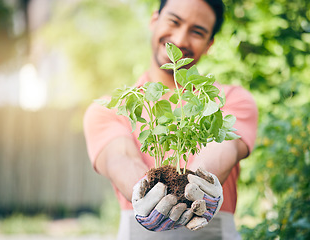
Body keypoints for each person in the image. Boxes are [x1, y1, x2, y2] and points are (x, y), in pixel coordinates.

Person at [83, 0, 258, 239]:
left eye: (197, 31)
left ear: (210, 44)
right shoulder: (111, 109)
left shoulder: (230, 100)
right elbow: (120, 159)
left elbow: (221, 150)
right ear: (154, 19)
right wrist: (144, 193)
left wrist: (198, 188)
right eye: (174, 21)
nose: (180, 38)